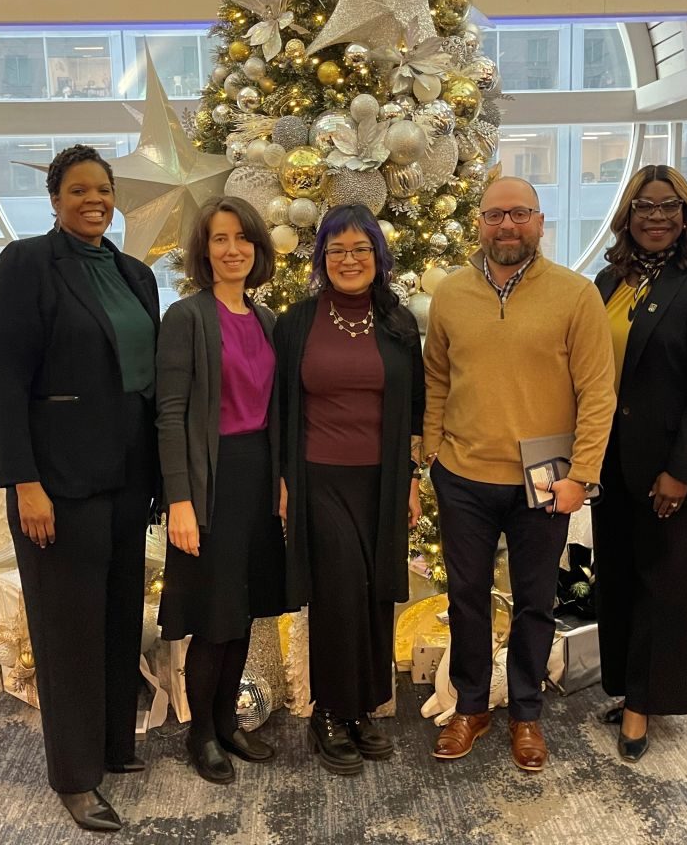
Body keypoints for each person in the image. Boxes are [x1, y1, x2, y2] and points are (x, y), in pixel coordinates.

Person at [0, 144, 160, 832]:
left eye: (104, 189)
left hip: (125, 479)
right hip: (57, 485)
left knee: (116, 617)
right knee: (69, 630)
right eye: (78, 189)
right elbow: (3, 380)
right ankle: (75, 776)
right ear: (54, 199)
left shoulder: (135, 274)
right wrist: (24, 481)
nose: (94, 199)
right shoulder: (28, 264)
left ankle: (114, 744)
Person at [423, 176, 616, 771]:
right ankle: (473, 707)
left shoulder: (576, 295)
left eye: (520, 215)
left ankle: (526, 713)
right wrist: (431, 454)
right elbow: (436, 380)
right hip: (463, 476)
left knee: (535, 601)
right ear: (479, 222)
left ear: (539, 221)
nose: (507, 226)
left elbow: (598, 392)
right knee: (466, 598)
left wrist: (581, 476)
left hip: (545, 482)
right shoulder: (451, 295)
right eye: (495, 215)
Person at [274, 203, 424, 776]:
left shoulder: (398, 323)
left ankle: (362, 708)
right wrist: (284, 480)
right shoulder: (297, 323)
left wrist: (409, 481)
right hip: (318, 477)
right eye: (336, 249)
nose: (349, 259)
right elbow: (280, 408)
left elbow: (414, 409)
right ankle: (329, 711)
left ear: (378, 258)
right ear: (321, 259)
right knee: (338, 590)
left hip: (381, 480)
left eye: (361, 249)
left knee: (374, 593)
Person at [592, 164, 687, 762]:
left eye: (668, 206)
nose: (656, 216)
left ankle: (642, 707)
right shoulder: (607, 282)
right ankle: (629, 686)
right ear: (627, 214)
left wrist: (680, 471)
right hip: (612, 465)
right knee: (620, 581)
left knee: (665, 588)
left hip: (672, 471)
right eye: (645, 206)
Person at [156, 196, 285, 786]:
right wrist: (178, 500)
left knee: (244, 610)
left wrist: (281, 480)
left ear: (257, 248)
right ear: (204, 252)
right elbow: (171, 413)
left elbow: (275, 413)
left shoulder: (267, 320)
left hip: (256, 478)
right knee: (213, 616)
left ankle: (227, 722)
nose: (232, 249)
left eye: (242, 239)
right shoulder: (187, 317)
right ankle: (200, 732)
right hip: (209, 484)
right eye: (219, 239)